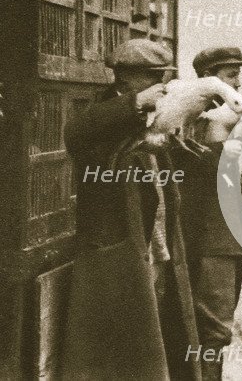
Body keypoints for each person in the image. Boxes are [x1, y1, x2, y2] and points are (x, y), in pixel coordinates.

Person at [61, 39, 200, 379]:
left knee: (156, 339)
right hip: (115, 251)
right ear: (125, 80)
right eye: (153, 78)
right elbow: (76, 133)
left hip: (155, 248)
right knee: (118, 351)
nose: (162, 85)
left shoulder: (149, 114)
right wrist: (138, 108)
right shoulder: (103, 113)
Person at [175, 46, 242, 380]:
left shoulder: (226, 116)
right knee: (213, 329)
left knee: (215, 328)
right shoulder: (196, 118)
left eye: (238, 73)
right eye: (231, 74)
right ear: (210, 79)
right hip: (210, 240)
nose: (238, 81)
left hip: (226, 239)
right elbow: (210, 174)